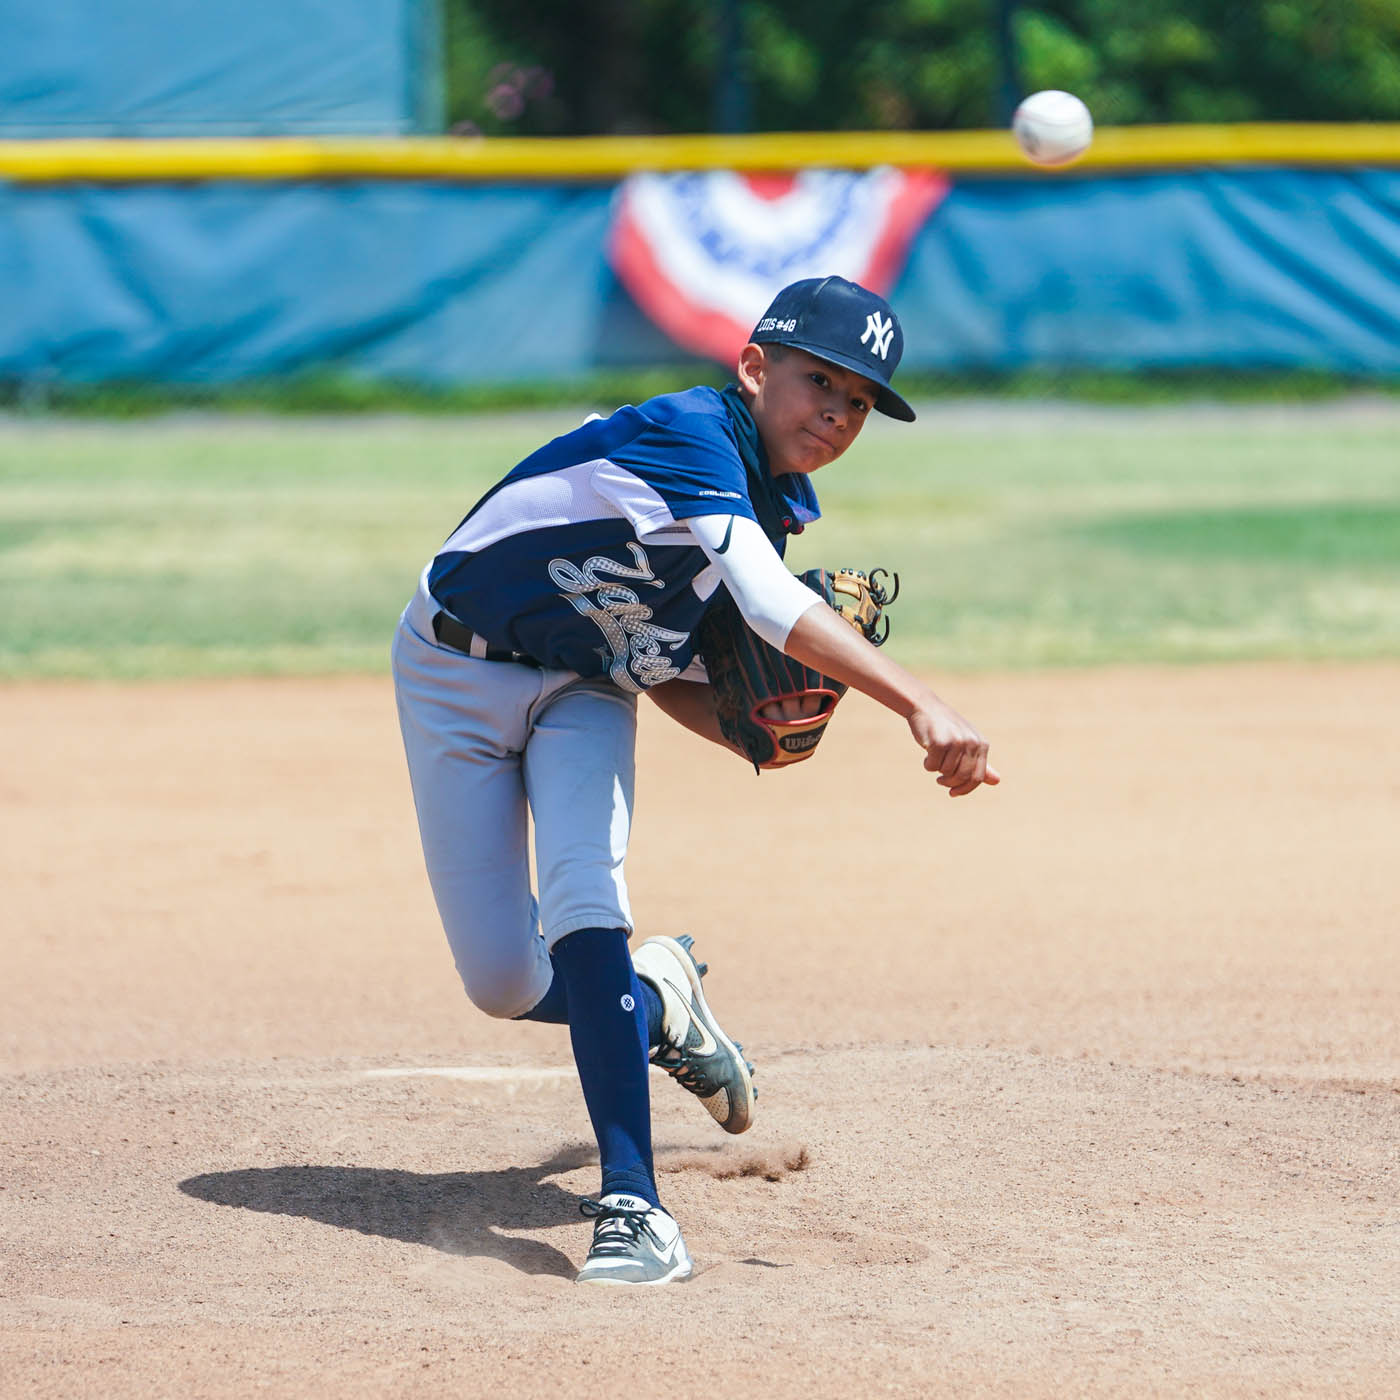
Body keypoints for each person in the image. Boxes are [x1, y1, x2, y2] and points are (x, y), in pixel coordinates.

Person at [391, 275, 1000, 1287]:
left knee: (587, 898)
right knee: (500, 979)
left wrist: (743, 730)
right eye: (819, 382)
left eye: (858, 403)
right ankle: (656, 1003)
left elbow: (652, 658)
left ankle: (634, 1205)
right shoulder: (686, 435)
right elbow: (763, 604)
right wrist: (917, 702)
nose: (837, 414)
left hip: (583, 683)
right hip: (450, 668)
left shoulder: (776, 507)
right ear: (753, 366)